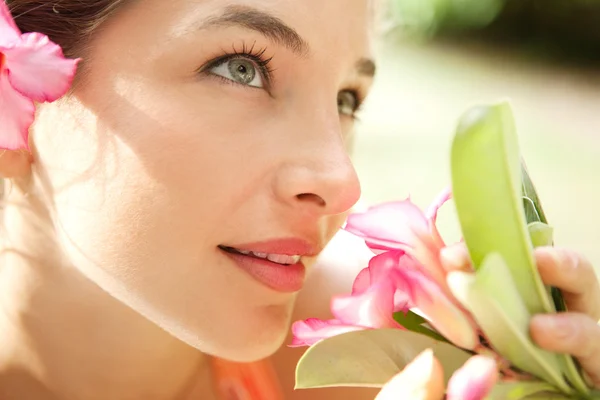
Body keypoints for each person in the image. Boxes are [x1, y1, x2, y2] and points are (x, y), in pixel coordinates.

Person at [0, 0, 599, 399]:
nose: (343, 182)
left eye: (346, 99)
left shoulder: (391, 359)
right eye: (240, 68)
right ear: (19, 86)